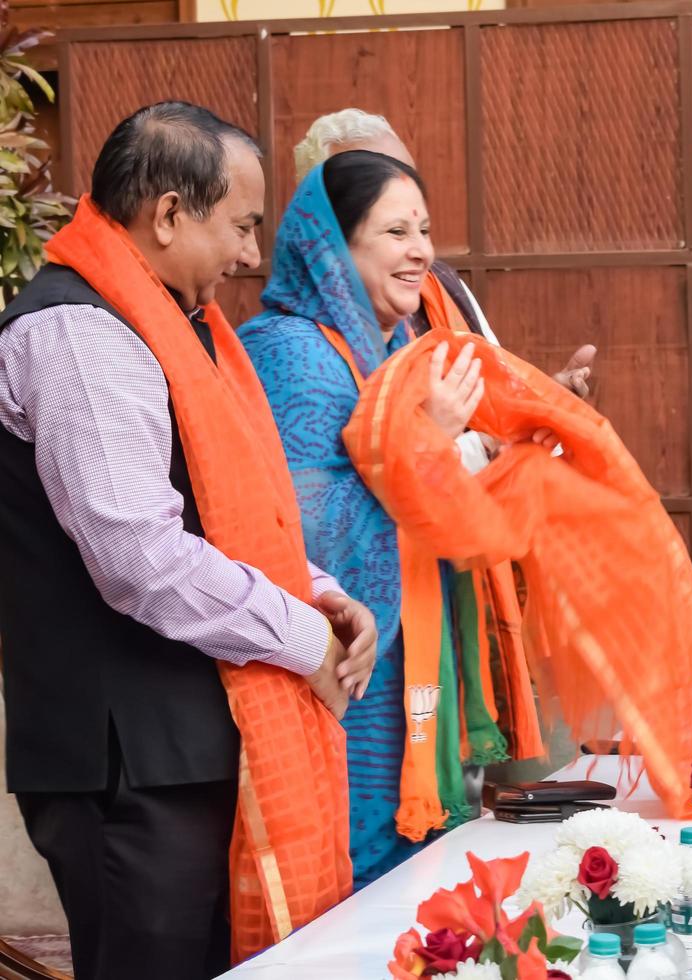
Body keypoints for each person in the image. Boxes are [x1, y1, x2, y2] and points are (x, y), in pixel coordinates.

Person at [0, 102, 378, 978]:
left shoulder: (170, 323)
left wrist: (317, 591)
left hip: (186, 744)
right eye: (241, 226)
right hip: (126, 764)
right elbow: (138, 556)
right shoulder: (80, 331)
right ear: (168, 214)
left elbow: (222, 508)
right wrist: (298, 634)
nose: (251, 256)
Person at [239, 150, 543, 887]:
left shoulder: (398, 351)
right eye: (396, 232)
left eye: (426, 230)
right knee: (351, 882)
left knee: (419, 884)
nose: (422, 252)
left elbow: (432, 497)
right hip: (340, 665)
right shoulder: (290, 354)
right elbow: (295, 537)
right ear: (331, 249)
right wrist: (427, 446)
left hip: (412, 657)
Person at [294, 108, 596, 471]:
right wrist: (474, 447)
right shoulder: (301, 338)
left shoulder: (441, 283)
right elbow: (335, 495)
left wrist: (545, 403)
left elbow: (502, 397)